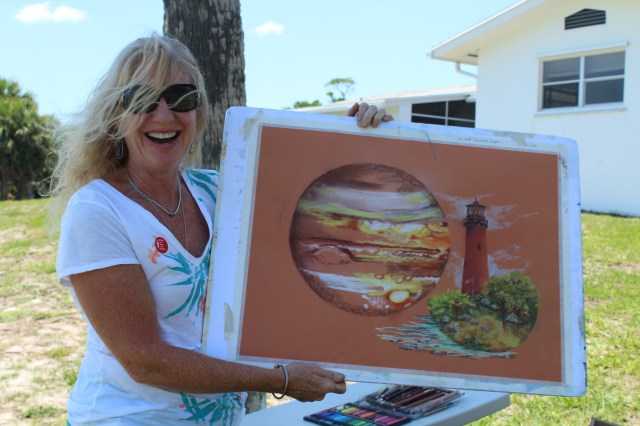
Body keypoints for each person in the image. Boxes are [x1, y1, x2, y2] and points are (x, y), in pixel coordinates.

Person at [51, 33, 393, 425]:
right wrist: (279, 379)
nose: (163, 115)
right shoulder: (97, 211)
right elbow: (145, 361)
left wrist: (364, 140)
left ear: (198, 110)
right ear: (117, 114)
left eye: (180, 97)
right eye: (142, 100)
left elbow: (317, 213)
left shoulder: (219, 191)